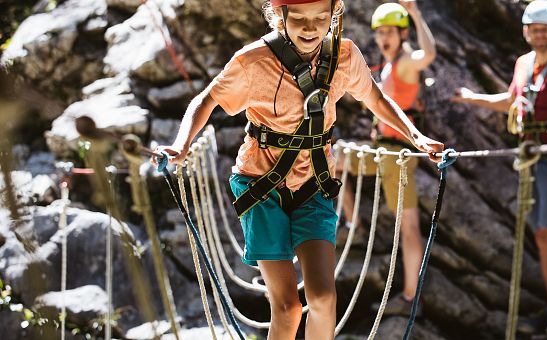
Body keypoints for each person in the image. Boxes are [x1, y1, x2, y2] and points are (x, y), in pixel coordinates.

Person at [154, 1, 444, 339]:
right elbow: (206, 100)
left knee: (323, 297)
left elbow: (376, 99)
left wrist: (417, 137)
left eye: (321, 18)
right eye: (301, 19)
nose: (311, 28)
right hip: (260, 185)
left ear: (334, 15)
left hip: (313, 184)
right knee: (289, 308)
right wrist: (182, 143)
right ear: (280, 17)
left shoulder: (344, 56)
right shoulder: (254, 61)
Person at [452, 0, 547, 336]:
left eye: (546, 29)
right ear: (526, 31)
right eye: (534, 29)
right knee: (542, 235)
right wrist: (473, 97)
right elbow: (512, 101)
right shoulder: (523, 64)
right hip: (529, 158)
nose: (540, 35)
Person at [336, 0, 436, 317]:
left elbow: (429, 54)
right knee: (329, 156)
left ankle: (410, 298)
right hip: (383, 154)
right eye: (380, 33)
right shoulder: (390, 65)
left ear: (402, 34)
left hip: (400, 157)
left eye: (390, 32)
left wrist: (416, 14)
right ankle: (352, 221)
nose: (383, 39)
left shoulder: (406, 62)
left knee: (408, 226)